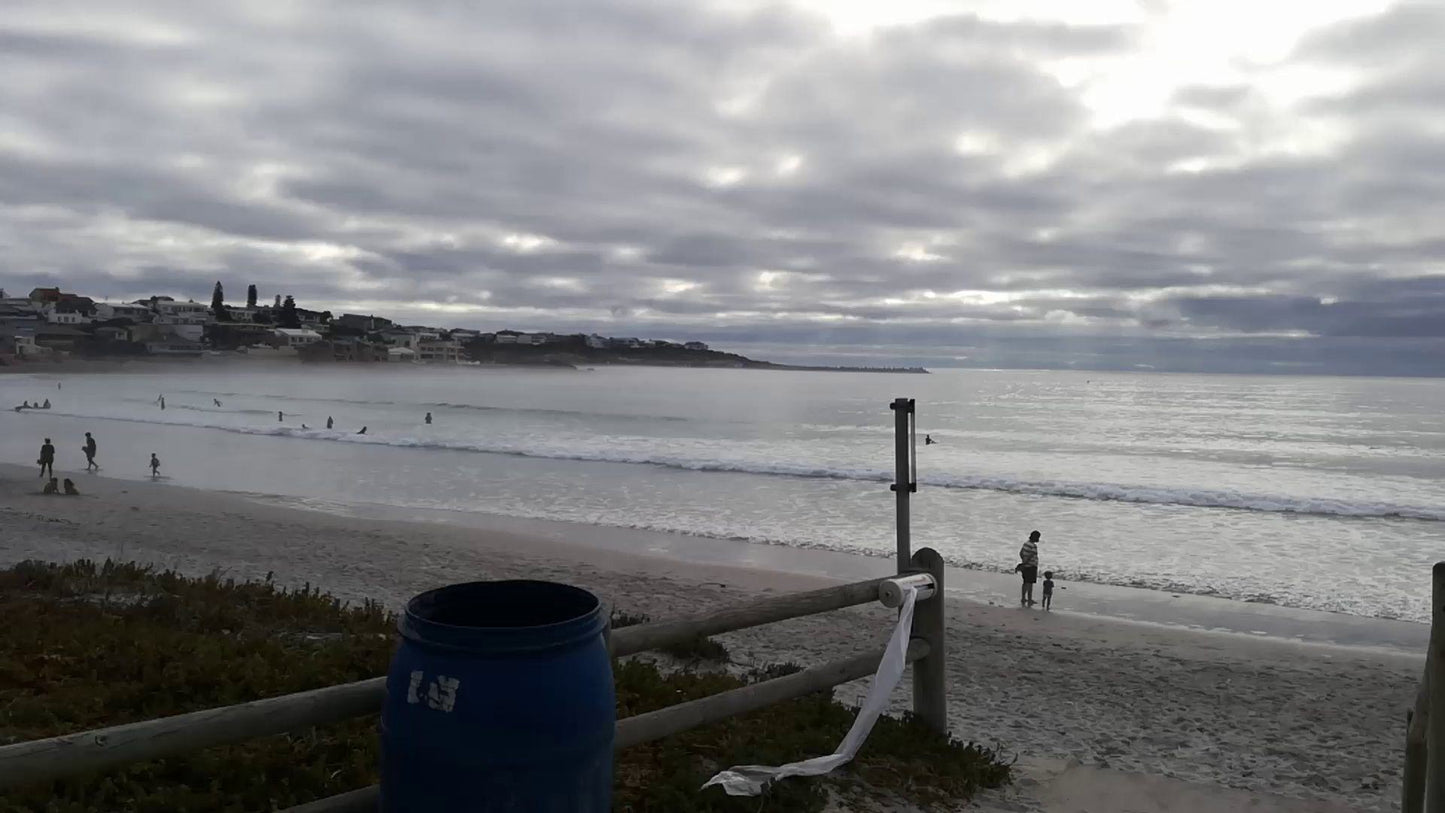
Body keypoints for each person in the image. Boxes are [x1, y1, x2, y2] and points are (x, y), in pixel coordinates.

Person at [1018, 530, 1041, 607]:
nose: (1039, 539)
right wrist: (1025, 562)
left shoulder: (1026, 543)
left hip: (1025, 566)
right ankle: (1030, 599)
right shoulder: (1033, 546)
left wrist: (1023, 561)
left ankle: (1023, 598)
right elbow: (1031, 555)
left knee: (1025, 582)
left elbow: (1021, 553)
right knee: (1030, 583)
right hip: (1031, 566)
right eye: (1038, 537)